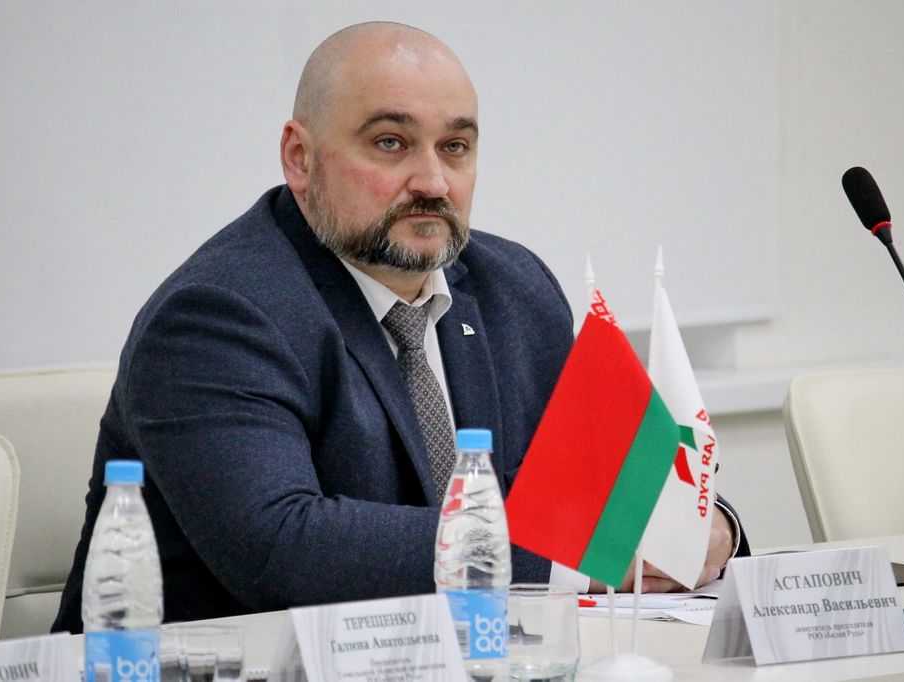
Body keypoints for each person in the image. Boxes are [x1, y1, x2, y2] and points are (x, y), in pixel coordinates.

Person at [54, 21, 747, 633]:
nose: (433, 182)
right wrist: (576, 557)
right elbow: (283, 547)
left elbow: (605, 490)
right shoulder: (218, 315)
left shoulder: (514, 291)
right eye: (391, 143)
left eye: (455, 147)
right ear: (300, 158)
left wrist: (704, 529)